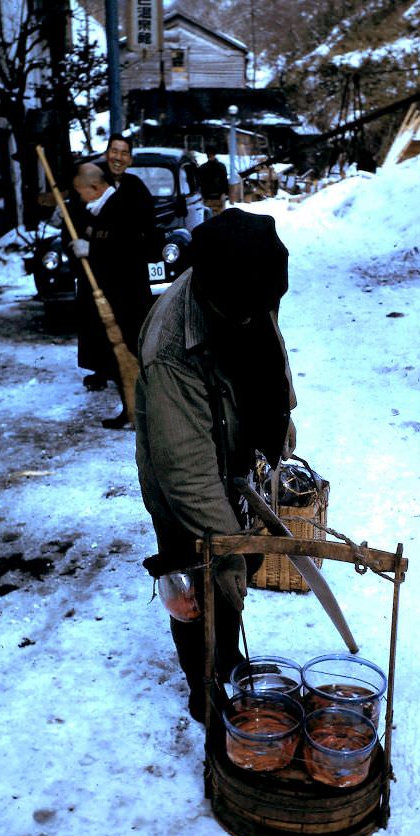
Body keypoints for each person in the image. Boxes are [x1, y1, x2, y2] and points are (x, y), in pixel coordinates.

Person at [135, 208, 297, 721]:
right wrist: (228, 559)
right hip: (180, 474)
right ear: (215, 293)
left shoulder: (246, 286)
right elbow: (186, 472)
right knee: (196, 581)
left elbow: (270, 346)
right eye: (246, 310)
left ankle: (227, 656)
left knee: (234, 563)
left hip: (228, 450)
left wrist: (281, 416)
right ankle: (203, 685)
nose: (256, 315)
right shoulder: (171, 348)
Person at [69, 162, 154, 427]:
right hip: (111, 300)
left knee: (133, 357)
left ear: (94, 188)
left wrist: (92, 250)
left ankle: (146, 412)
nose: (79, 197)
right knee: (119, 360)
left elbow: (129, 250)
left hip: (128, 300)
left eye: (81, 192)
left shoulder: (122, 206)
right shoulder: (96, 209)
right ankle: (130, 409)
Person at [79, 134, 158, 394]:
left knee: (130, 319)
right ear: (106, 153)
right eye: (114, 151)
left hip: (127, 270)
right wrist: (79, 242)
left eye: (124, 153)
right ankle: (101, 368)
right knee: (98, 320)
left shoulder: (136, 187)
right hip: (99, 269)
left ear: (130, 159)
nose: (118, 157)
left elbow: (145, 227)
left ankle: (134, 366)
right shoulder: (92, 182)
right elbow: (77, 218)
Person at [198, 149, 229, 216]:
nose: (210, 156)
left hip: (217, 196)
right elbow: (200, 183)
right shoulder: (203, 168)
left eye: (210, 155)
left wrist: (224, 193)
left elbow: (224, 180)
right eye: (209, 155)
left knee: (217, 217)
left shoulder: (220, 167)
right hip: (209, 196)